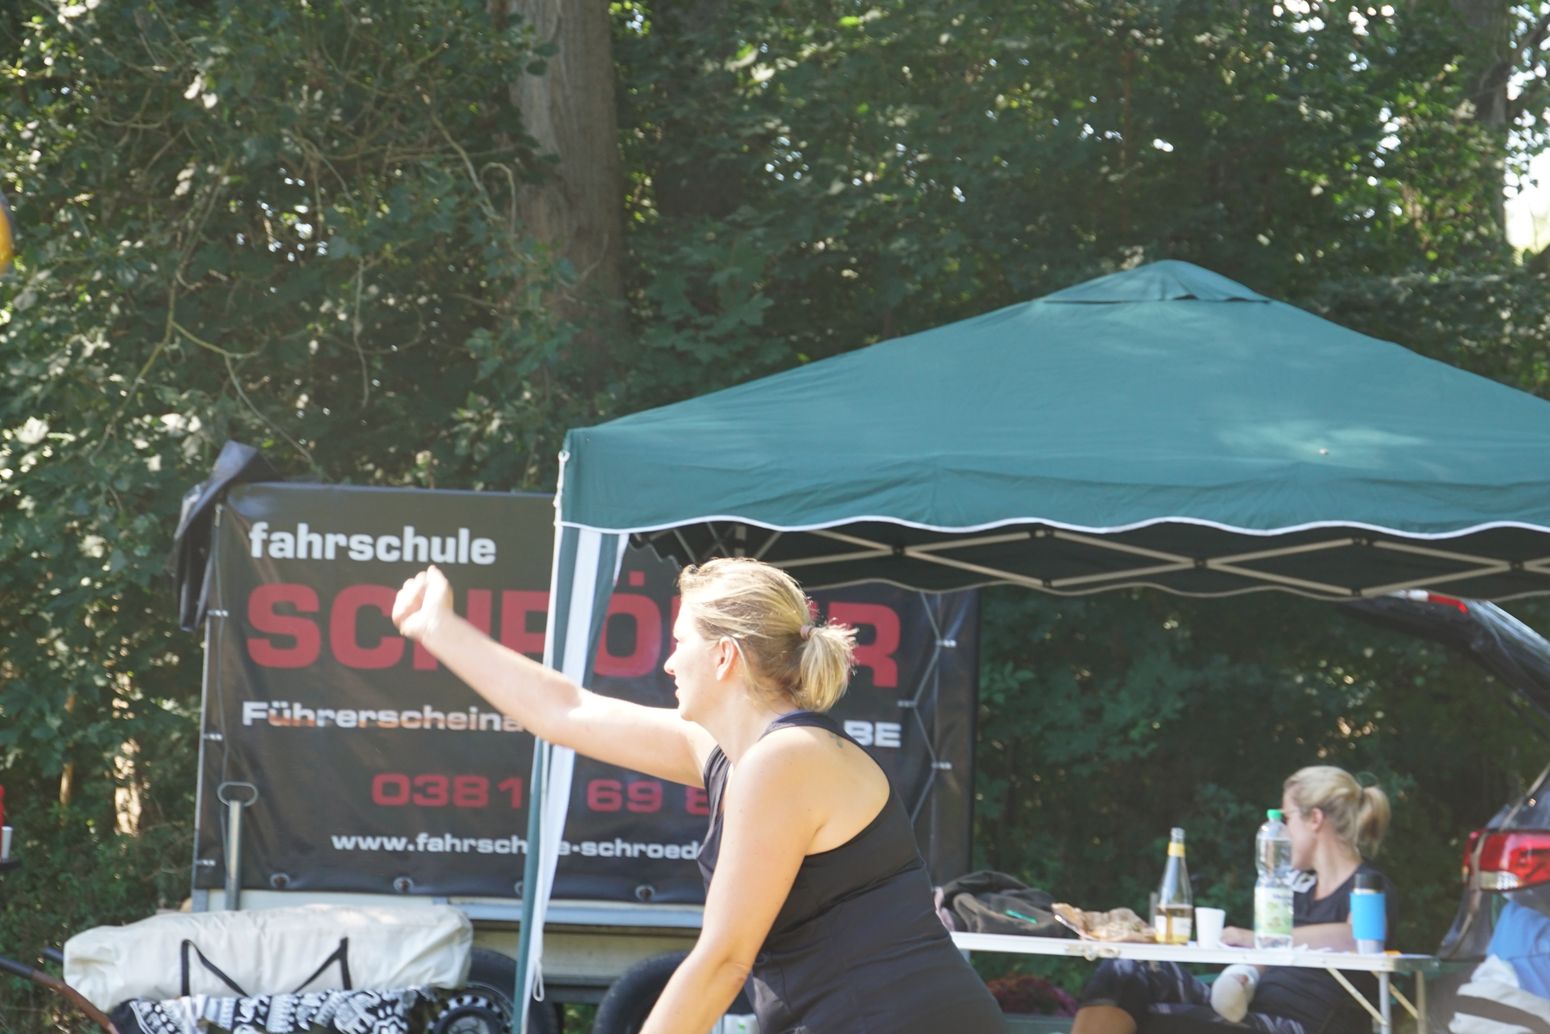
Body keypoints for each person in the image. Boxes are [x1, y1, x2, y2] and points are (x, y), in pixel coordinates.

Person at [392, 558, 1007, 1034]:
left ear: (723, 656)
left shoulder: (787, 761)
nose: (667, 663)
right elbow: (566, 710)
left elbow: (723, 960)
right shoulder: (738, 752)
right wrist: (439, 630)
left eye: (679, 641)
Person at [1069, 766, 1394, 1034]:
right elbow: (1268, 956)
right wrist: (1245, 971)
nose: (1281, 829)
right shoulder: (1297, 888)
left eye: (1287, 818)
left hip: (1296, 1025)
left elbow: (1357, 938)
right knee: (1127, 968)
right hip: (1251, 1010)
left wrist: (1254, 938)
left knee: (1155, 1017)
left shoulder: (1369, 886)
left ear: (1315, 819)